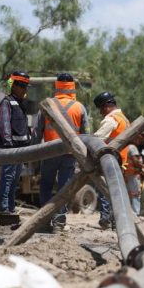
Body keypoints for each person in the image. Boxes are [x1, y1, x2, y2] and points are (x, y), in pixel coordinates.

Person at [32, 73, 89, 229]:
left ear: (57, 86)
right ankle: (60, 220)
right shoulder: (80, 108)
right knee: (64, 187)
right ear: (72, 87)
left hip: (49, 153)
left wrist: (33, 155)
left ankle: (43, 221)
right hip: (70, 155)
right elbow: (86, 136)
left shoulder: (47, 104)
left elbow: (37, 133)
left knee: (46, 185)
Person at [0, 70, 31, 213]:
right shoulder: (7, 102)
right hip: (10, 149)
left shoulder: (20, 104)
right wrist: (8, 145)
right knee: (8, 178)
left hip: (20, 149)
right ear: (14, 86)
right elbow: (4, 125)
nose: (24, 89)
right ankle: (3, 208)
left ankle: (10, 208)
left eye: (25, 87)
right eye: (22, 86)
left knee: (15, 179)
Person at [93, 91, 130, 229]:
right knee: (116, 191)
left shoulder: (111, 119)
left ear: (107, 106)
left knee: (105, 189)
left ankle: (106, 218)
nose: (101, 112)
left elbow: (97, 138)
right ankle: (116, 221)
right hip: (122, 159)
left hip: (110, 159)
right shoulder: (124, 118)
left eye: (101, 109)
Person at [125, 136, 143, 214]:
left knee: (128, 194)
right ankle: (136, 213)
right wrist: (143, 166)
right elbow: (135, 160)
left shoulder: (126, 147)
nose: (139, 140)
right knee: (136, 194)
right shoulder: (133, 147)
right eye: (138, 138)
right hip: (133, 173)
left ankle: (128, 213)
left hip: (126, 173)